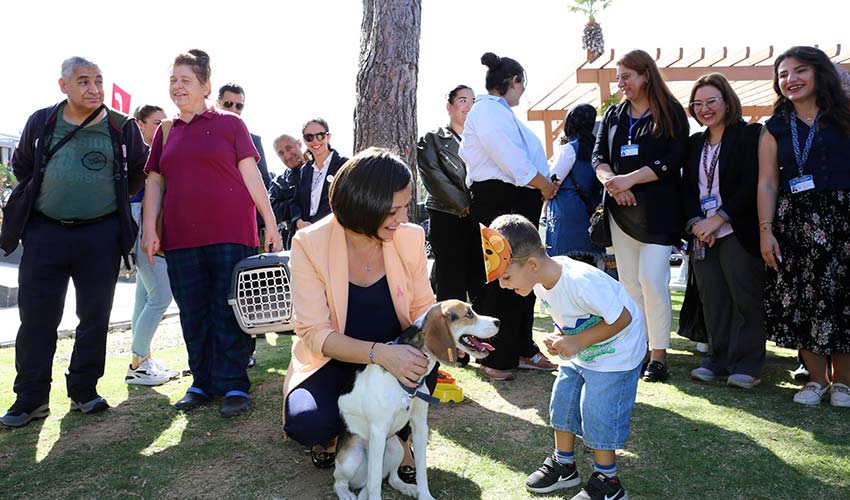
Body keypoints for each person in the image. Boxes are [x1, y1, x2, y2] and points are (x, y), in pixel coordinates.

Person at [0, 57, 148, 428]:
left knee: (94, 317)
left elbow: (137, 174)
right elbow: (23, 166)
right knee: (35, 318)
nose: (94, 89)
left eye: (99, 81)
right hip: (44, 232)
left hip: (99, 235)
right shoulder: (42, 121)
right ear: (63, 85)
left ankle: (84, 390)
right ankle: (30, 399)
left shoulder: (121, 126)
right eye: (83, 81)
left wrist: (102, 201)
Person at [141, 49, 282, 419]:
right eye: (173, 80)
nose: (177, 86)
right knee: (192, 310)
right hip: (181, 238)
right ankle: (202, 381)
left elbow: (253, 177)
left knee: (229, 307)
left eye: (185, 80)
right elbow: (154, 182)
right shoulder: (166, 131)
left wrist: (269, 223)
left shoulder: (231, 125)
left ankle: (234, 382)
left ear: (206, 86)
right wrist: (148, 229)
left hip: (231, 233)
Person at [282, 148, 437, 482]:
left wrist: (424, 346)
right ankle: (342, 433)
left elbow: (423, 311)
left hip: (396, 356)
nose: (403, 217)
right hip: (333, 361)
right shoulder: (309, 242)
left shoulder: (409, 237)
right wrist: (379, 354)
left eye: (405, 206)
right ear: (364, 206)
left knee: (420, 367)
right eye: (393, 210)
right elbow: (314, 333)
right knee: (306, 422)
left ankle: (399, 437)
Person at [487, 214, 644, 500]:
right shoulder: (539, 282)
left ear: (532, 264)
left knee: (597, 410)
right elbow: (568, 317)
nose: (503, 286)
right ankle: (564, 464)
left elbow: (623, 318)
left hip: (617, 354)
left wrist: (577, 341)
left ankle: (608, 483)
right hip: (583, 352)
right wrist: (561, 338)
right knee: (563, 402)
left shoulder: (581, 280)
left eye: (506, 277)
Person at [758, 46, 850, 407]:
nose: (790, 80)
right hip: (795, 222)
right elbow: (766, 183)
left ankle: (843, 383)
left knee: (844, 297)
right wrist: (766, 230)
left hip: (843, 219)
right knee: (803, 298)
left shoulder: (844, 116)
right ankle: (816, 380)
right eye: (782, 74)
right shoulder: (774, 127)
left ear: (819, 74)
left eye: (799, 71)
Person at [460, 52, 559, 381]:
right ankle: (496, 357)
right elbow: (512, 162)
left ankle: (520, 348)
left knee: (523, 277)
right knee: (503, 276)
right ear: (514, 81)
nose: (522, 91)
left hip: (518, 199)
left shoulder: (499, 112)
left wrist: (541, 187)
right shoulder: (487, 110)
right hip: (501, 199)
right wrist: (544, 184)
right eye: (521, 85)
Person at [592, 49, 689, 383]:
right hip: (621, 213)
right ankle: (640, 350)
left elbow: (672, 160)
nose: (621, 84)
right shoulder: (614, 115)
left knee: (652, 281)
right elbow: (598, 156)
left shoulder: (671, 112)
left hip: (659, 214)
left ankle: (659, 355)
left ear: (646, 75)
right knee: (629, 285)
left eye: (627, 77)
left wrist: (629, 180)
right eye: (619, 77)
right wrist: (613, 185)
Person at [683, 73, 766, 390]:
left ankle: (748, 364)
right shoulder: (695, 143)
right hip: (702, 234)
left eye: (711, 101)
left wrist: (718, 218)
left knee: (744, 298)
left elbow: (753, 182)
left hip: (736, 229)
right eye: (698, 103)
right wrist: (695, 223)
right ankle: (717, 360)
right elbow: (686, 189)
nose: (704, 109)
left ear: (727, 101)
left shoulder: (749, 135)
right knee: (713, 299)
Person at [125, 104, 178, 386]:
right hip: (141, 228)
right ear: (140, 125)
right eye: (156, 123)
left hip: (145, 226)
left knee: (144, 298)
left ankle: (141, 359)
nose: (162, 129)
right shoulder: (140, 156)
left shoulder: (149, 154)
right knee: (160, 297)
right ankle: (138, 362)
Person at [417, 85, 482, 307]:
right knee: (450, 284)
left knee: (480, 283)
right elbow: (434, 177)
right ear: (449, 106)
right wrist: (465, 204)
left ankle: (481, 338)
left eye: (473, 101)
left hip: (479, 220)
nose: (469, 106)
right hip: (447, 218)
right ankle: (446, 339)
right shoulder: (432, 139)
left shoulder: (482, 139)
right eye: (463, 100)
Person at [545, 104, 603, 263]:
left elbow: (551, 181)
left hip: (567, 218)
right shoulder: (598, 150)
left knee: (565, 271)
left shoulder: (569, 149)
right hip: (590, 217)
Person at [289, 118, 348, 234]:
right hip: (307, 236)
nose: (315, 141)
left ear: (328, 137)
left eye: (320, 136)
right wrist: (298, 221)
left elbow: (346, 202)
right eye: (309, 137)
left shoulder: (344, 166)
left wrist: (317, 225)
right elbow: (295, 202)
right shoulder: (304, 170)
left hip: (334, 234)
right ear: (304, 141)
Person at [268, 134, 305, 249]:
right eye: (281, 153)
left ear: (299, 144)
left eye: (289, 148)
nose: (287, 156)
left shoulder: (320, 171)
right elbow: (274, 212)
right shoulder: (278, 182)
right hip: (296, 242)